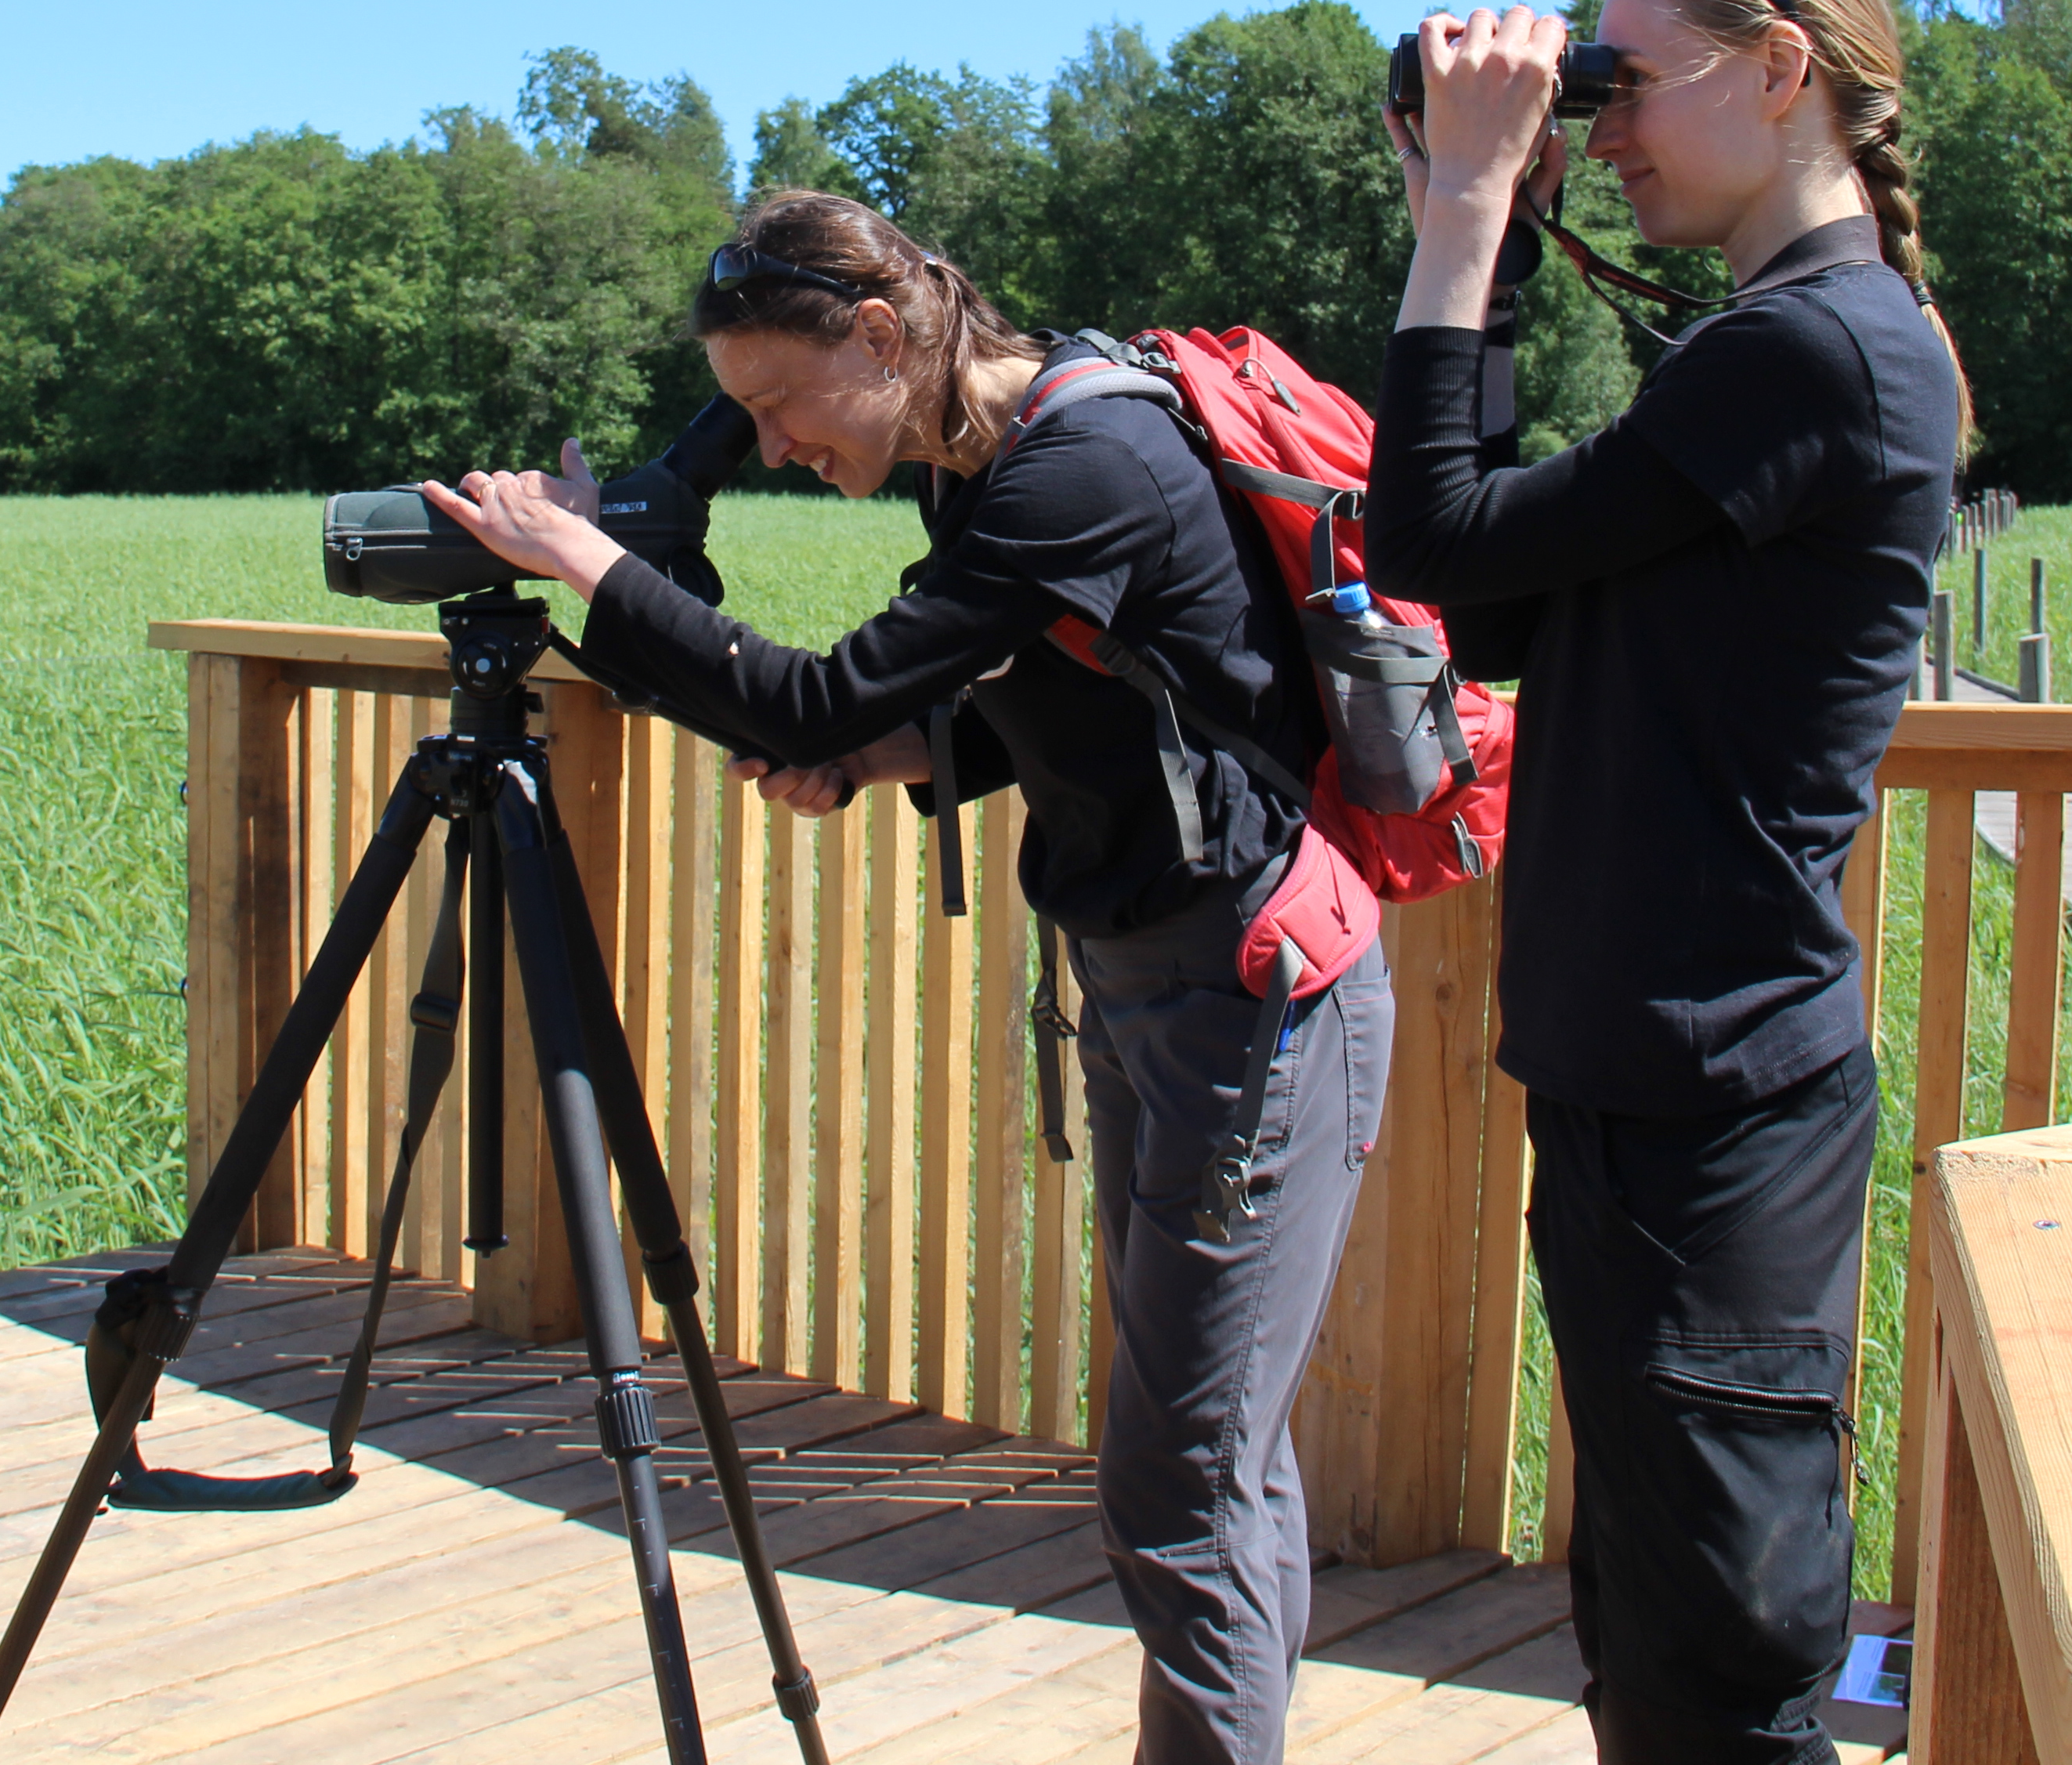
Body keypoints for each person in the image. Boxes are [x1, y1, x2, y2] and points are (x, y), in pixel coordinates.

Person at [421, 190, 1391, 1765]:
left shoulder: (1083, 463)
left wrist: (597, 564)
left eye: (779, 407)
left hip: (1260, 997)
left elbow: (809, 692)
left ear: (883, 337)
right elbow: (1041, 708)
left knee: (1178, 1476)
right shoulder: (985, 472)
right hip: (1152, 985)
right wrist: (876, 754)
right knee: (1220, 1460)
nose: (778, 445)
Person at [1368, 0, 1962, 1765]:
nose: (1597, 126)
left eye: (1623, 83)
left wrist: (1466, 217)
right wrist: (1506, 246)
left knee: (1718, 1660)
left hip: (1712, 1099)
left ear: (1782, 70)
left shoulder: (1819, 350)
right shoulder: (1770, 349)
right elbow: (1498, 606)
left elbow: (1429, 547)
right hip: (1657, 1084)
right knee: (1651, 1626)